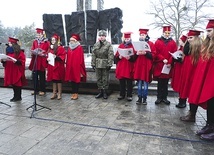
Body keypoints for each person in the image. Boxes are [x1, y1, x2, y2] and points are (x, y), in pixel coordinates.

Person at [186, 19, 214, 141]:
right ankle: (210, 125)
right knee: (211, 103)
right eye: (207, 31)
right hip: (208, 78)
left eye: (209, 30)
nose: (207, 33)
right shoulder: (207, 45)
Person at [179, 30, 203, 122]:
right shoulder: (188, 48)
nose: (188, 40)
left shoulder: (199, 50)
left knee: (193, 95)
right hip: (187, 74)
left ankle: (192, 114)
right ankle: (191, 113)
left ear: (196, 38)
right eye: (188, 38)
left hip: (194, 75)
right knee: (189, 94)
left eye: (191, 38)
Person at [153, 25, 177, 105]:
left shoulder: (173, 42)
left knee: (166, 83)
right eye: (166, 33)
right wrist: (163, 59)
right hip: (160, 64)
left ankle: (165, 98)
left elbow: (174, 53)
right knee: (160, 83)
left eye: (168, 33)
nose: (167, 34)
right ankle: (159, 97)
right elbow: (156, 52)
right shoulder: (158, 41)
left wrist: (170, 62)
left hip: (168, 66)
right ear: (163, 33)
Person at [133, 28, 156, 105]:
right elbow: (133, 56)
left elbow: (153, 55)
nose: (142, 36)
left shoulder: (151, 44)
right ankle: (139, 97)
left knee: (145, 84)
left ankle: (145, 98)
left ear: (146, 35)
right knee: (139, 83)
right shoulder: (136, 44)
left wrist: (146, 53)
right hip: (139, 66)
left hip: (146, 66)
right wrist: (137, 54)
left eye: (143, 35)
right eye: (141, 35)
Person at [0, 37, 26, 102]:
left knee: (17, 83)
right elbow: (6, 59)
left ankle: (18, 96)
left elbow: (22, 61)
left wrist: (17, 61)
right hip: (9, 69)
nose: (8, 44)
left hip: (16, 69)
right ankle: (15, 96)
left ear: (13, 44)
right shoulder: (8, 51)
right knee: (13, 83)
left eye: (10, 43)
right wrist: (3, 60)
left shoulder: (19, 52)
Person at [91, 30, 114, 99]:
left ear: (105, 37)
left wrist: (109, 64)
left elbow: (110, 55)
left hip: (105, 63)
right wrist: (93, 63)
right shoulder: (96, 44)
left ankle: (105, 92)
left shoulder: (108, 45)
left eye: (103, 36)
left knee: (105, 78)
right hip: (98, 63)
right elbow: (93, 54)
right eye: (100, 36)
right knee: (99, 78)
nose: (101, 37)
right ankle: (100, 91)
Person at [115, 32, 136, 101]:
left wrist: (130, 58)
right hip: (121, 66)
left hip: (129, 66)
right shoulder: (121, 45)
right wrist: (119, 57)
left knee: (129, 82)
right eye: (126, 39)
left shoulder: (133, 46)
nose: (127, 40)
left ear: (130, 38)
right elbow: (116, 56)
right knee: (122, 82)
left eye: (128, 39)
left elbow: (135, 57)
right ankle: (122, 94)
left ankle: (129, 95)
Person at [28, 28, 50, 96]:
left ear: (42, 34)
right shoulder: (35, 42)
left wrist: (44, 54)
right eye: (37, 34)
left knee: (42, 76)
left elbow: (48, 50)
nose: (38, 35)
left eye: (39, 34)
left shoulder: (46, 42)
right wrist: (33, 52)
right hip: (36, 60)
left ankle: (42, 90)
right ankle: (35, 89)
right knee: (34, 76)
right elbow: (32, 48)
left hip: (42, 60)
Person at [65, 34, 87, 100]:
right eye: (70, 40)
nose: (71, 41)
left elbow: (81, 58)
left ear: (75, 41)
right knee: (72, 80)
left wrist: (80, 68)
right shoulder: (69, 48)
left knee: (76, 80)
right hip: (70, 66)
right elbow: (68, 57)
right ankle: (73, 93)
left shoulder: (79, 47)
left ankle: (76, 93)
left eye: (72, 40)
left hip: (77, 66)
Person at [47, 34, 66, 100]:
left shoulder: (60, 48)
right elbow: (48, 55)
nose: (52, 41)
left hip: (58, 66)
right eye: (52, 40)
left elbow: (63, 57)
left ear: (57, 41)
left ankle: (59, 93)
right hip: (52, 66)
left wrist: (56, 57)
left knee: (58, 80)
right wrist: (48, 59)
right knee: (54, 80)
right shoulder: (50, 48)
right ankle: (54, 93)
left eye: (54, 40)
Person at [171, 34, 188, 108]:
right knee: (180, 85)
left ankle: (183, 101)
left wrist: (181, 60)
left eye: (180, 40)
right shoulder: (180, 48)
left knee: (182, 85)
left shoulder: (186, 49)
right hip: (178, 68)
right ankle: (181, 100)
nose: (179, 41)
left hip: (182, 69)